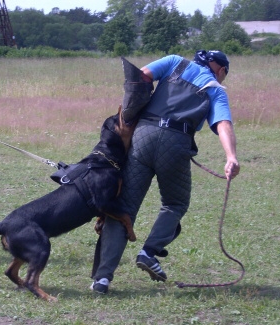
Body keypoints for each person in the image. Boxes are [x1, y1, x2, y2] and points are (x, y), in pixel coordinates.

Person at [90, 50, 240, 293]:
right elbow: (223, 123)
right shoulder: (216, 89)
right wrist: (231, 156)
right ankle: (149, 252)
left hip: (143, 135)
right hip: (176, 142)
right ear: (220, 70)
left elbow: (140, 78)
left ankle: (102, 279)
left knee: (124, 208)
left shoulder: (174, 62)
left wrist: (130, 117)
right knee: (175, 203)